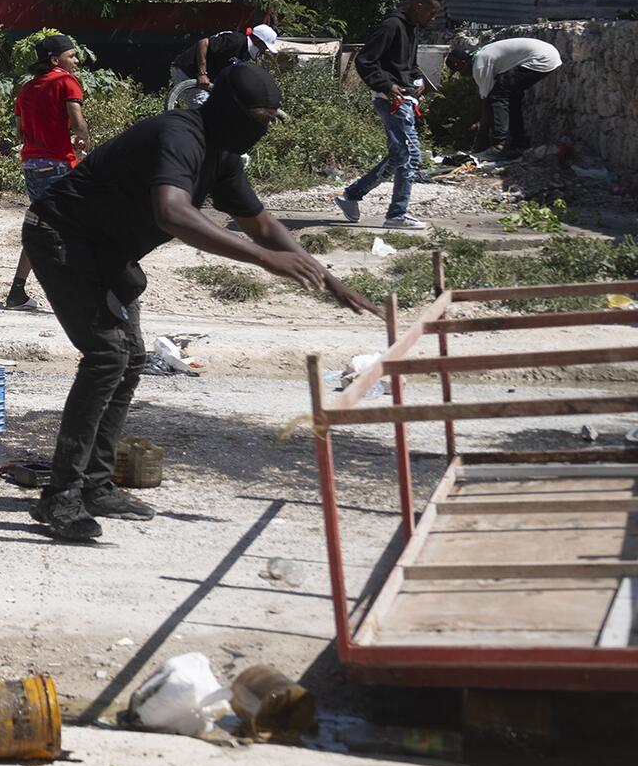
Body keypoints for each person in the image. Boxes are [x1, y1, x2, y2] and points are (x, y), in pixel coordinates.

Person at [22, 63, 376, 541]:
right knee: (107, 355)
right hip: (63, 236)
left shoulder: (222, 153)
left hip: (109, 250)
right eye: (260, 117)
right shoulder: (180, 135)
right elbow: (173, 213)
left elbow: (262, 223)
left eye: (271, 120)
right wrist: (263, 260)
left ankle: (93, 483)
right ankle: (60, 497)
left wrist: (330, 280)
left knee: (130, 360)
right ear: (231, 109)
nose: (264, 128)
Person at [332, 0, 443, 230]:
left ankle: (351, 196)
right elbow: (365, 60)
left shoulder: (411, 30)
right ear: (418, 6)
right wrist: (386, 86)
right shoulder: (392, 26)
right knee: (410, 156)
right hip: (392, 101)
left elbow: (407, 66)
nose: (432, 19)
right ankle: (397, 214)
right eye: (431, 13)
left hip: (403, 99)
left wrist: (418, 79)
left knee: (398, 156)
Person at [5, 34, 92, 310]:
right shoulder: (65, 81)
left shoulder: (27, 89)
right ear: (56, 60)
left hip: (31, 166)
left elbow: (20, 131)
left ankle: (18, 292)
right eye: (72, 56)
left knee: (42, 228)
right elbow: (78, 124)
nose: (76, 61)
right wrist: (82, 141)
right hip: (58, 164)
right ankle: (75, 293)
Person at [445, 33, 564, 158]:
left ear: (463, 63)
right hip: (546, 54)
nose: (462, 75)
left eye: (459, 71)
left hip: (541, 58)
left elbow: (486, 101)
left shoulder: (479, 65)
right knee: (512, 96)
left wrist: (482, 135)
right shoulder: (482, 55)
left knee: (498, 95)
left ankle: (500, 145)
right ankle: (519, 143)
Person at [167, 23, 280, 108]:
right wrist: (202, 73)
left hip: (205, 81)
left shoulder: (244, 54)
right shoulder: (236, 41)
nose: (264, 50)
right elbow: (203, 43)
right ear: (258, 41)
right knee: (205, 107)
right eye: (264, 46)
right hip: (186, 71)